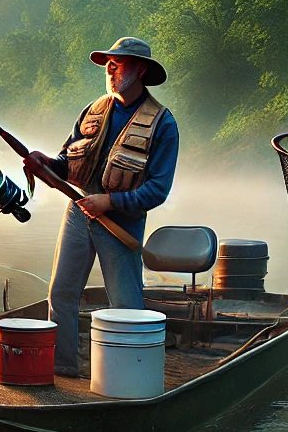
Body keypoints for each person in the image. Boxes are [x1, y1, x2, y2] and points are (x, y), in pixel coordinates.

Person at [24, 37, 179, 377]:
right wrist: (44, 162)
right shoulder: (93, 110)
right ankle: (63, 366)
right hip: (79, 212)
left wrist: (109, 201)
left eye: (118, 62)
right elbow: (66, 161)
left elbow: (157, 190)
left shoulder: (163, 125)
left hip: (121, 223)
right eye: (108, 62)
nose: (109, 68)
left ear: (140, 70)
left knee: (125, 303)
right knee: (61, 292)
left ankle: (131, 373)